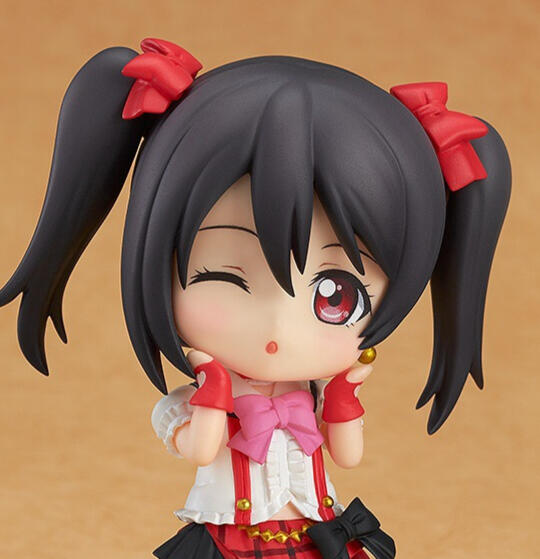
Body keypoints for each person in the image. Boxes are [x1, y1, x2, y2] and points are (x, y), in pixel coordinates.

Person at [0, 38, 511, 558]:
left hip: (314, 537)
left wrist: (342, 397)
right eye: (224, 276)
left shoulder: (312, 395)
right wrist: (213, 392)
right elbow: (201, 449)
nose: (277, 328)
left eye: (336, 296)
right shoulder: (189, 402)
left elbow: (348, 455)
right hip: (228, 540)